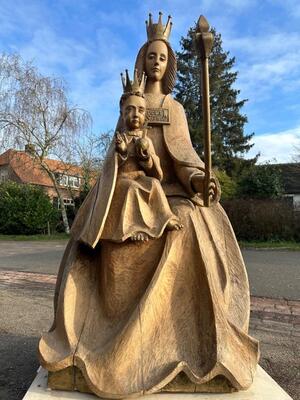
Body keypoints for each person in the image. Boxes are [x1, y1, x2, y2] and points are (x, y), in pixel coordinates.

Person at [39, 13, 259, 398]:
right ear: (142, 60)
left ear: (168, 64)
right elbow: (114, 157)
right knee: (100, 231)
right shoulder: (130, 106)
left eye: (163, 56)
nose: (156, 61)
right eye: (151, 55)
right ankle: (100, 335)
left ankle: (188, 338)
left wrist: (198, 180)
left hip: (170, 192)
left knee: (192, 220)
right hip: (129, 191)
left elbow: (186, 159)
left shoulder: (175, 110)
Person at [102, 69, 182, 243]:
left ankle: (164, 218)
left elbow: (156, 174)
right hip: (123, 182)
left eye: (140, 110)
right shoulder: (119, 138)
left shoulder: (145, 139)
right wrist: (121, 151)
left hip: (140, 177)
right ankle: (135, 228)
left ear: (145, 114)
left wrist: (146, 158)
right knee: (132, 188)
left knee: (152, 184)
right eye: (130, 110)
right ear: (122, 113)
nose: (135, 114)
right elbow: (109, 168)